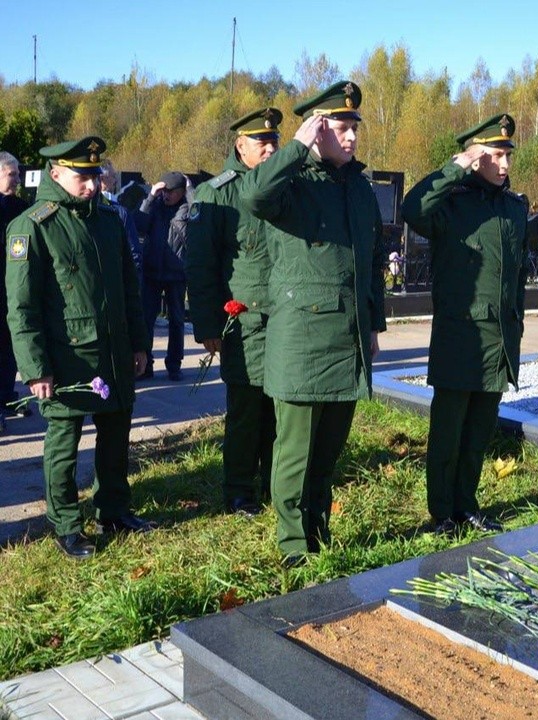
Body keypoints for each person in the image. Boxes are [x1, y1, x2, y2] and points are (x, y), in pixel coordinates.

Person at [239, 81, 386, 565]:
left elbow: (370, 265)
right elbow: (255, 197)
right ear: (316, 129)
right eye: (339, 127)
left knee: (326, 455)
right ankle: (293, 544)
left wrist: (373, 329)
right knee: (295, 454)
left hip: (347, 342)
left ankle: (317, 533)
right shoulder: (292, 185)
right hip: (302, 343)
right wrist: (297, 146)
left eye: (354, 129)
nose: (351, 137)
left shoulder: (358, 188)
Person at [4, 137, 154, 559]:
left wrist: (140, 343)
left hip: (113, 352)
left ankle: (114, 510)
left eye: (94, 174)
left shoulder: (109, 219)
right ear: (55, 175)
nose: (92, 184)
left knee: (115, 436)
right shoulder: (33, 226)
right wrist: (36, 369)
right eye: (81, 176)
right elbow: (22, 307)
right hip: (67, 358)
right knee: (64, 444)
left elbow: (129, 289)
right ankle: (67, 524)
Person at [401, 114, 529, 535]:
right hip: (459, 338)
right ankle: (441, 513)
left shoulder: (514, 209)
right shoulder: (450, 205)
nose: (506, 164)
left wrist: (518, 328)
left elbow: (517, 281)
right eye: (496, 155)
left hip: (499, 340)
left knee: (477, 435)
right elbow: (412, 208)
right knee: (447, 434)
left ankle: (467, 505)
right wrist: (455, 167)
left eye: (508, 155)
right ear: (477, 157)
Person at [186, 107, 282, 517]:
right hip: (244, 322)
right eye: (262, 142)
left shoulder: (283, 186)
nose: (270, 147)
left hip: (285, 319)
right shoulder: (216, 194)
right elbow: (202, 267)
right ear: (240, 145)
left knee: (281, 408)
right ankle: (240, 490)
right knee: (246, 411)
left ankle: (276, 482)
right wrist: (209, 325)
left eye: (275, 140)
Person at [136, 170, 192, 381]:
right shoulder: (155, 207)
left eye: (171, 191)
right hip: (152, 272)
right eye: (164, 191)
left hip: (176, 273)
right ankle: (146, 364)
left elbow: (201, 213)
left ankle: (174, 364)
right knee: (146, 319)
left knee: (176, 321)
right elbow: (139, 224)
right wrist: (151, 197)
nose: (166, 195)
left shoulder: (187, 209)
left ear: (180, 192)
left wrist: (190, 189)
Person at [0, 151, 30, 431]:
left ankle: (8, 396)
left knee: (9, 347)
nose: (18, 179)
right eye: (13, 174)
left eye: (19, 173)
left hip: (12, 287)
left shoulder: (21, 208)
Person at [99, 159, 143, 282]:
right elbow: (133, 253)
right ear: (102, 179)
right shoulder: (120, 212)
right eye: (113, 176)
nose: (116, 180)